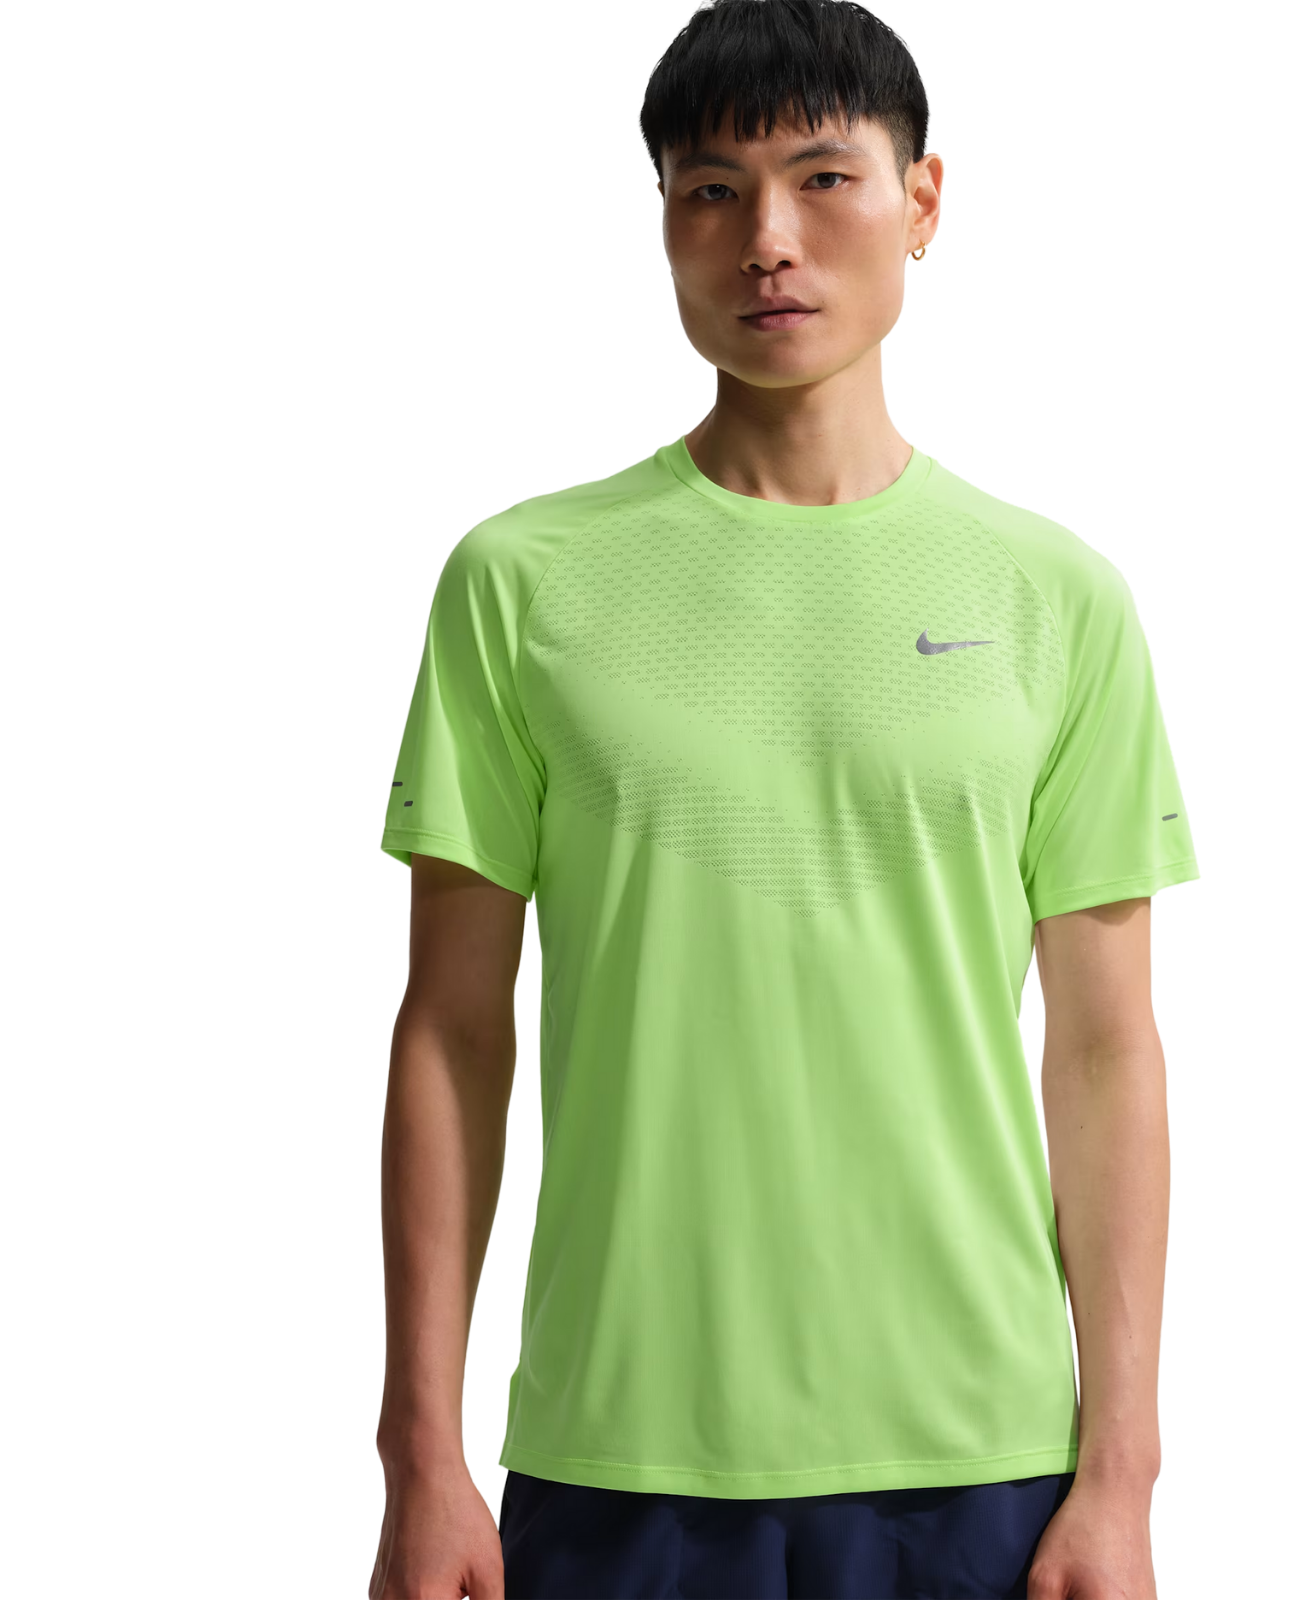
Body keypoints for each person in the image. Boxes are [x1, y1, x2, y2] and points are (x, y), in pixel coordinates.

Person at [369, 2, 1197, 1595]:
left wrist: (1124, 1476)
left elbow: (1105, 1051)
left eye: (823, 179)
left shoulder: (1060, 595)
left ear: (924, 202)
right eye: (711, 190)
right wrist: (423, 1455)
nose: (768, 239)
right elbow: (452, 1031)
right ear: (661, 223)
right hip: (613, 1448)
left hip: (984, 1456)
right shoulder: (519, 580)